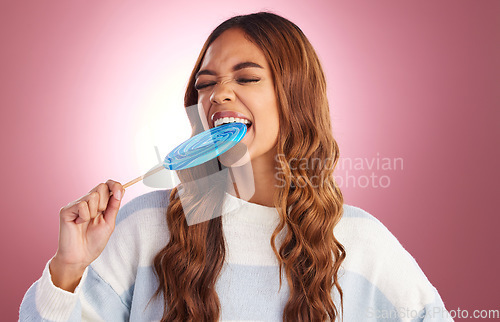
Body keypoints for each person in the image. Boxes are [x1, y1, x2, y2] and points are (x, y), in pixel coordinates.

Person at [19, 12, 453, 321]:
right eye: (205, 84)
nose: (217, 95)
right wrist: (69, 267)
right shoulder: (145, 225)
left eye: (246, 78)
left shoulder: (359, 242)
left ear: (294, 97)